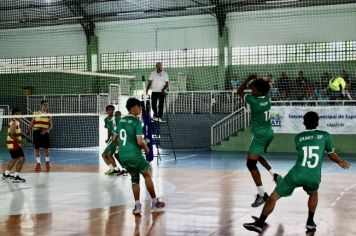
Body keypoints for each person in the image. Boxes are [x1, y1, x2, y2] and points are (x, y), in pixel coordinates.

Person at [243, 111, 351, 233]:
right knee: (314, 193)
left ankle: (259, 224)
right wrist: (340, 162)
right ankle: (310, 222)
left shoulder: (298, 138)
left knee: (273, 197)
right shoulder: (325, 136)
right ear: (318, 123)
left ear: (304, 123)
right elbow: (331, 154)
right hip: (313, 176)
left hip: (296, 175)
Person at [114, 98, 165, 214]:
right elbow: (140, 142)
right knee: (147, 174)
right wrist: (146, 149)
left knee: (134, 178)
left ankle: (137, 206)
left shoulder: (121, 121)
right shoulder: (137, 122)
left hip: (123, 156)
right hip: (134, 155)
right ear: (132, 108)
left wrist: (124, 147)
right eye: (139, 107)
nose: (140, 109)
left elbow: (114, 139)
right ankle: (155, 203)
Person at [237, 74, 281, 207]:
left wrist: (248, 79)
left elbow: (239, 91)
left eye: (253, 89)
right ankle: (275, 175)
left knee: (250, 164)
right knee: (256, 155)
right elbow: (264, 87)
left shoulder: (254, 101)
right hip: (268, 133)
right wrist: (259, 82)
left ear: (259, 91)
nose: (251, 91)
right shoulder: (267, 98)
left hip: (260, 136)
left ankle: (262, 195)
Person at [2, 108, 26, 183]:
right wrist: (21, 142)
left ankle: (6, 174)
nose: (19, 115)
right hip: (13, 143)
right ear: (14, 115)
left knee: (15, 158)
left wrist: (22, 134)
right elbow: (12, 135)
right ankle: (16, 177)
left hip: (11, 143)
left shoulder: (16, 122)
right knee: (22, 159)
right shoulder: (14, 122)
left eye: (20, 114)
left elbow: (14, 133)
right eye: (17, 114)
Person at [28, 100, 52, 171]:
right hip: (36, 132)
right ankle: (38, 164)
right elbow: (31, 123)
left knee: (47, 149)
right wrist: (28, 130)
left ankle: (47, 163)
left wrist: (46, 130)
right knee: (37, 149)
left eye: (47, 105)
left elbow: (51, 125)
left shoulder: (49, 115)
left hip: (45, 132)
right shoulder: (35, 113)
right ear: (41, 105)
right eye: (44, 105)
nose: (46, 106)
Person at [102, 105, 123, 175]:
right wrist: (108, 138)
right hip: (112, 139)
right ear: (106, 111)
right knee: (104, 155)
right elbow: (109, 129)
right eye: (109, 110)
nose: (111, 111)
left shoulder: (117, 118)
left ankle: (120, 169)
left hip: (117, 139)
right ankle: (113, 169)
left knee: (110, 154)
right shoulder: (106, 120)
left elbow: (122, 127)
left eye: (112, 110)